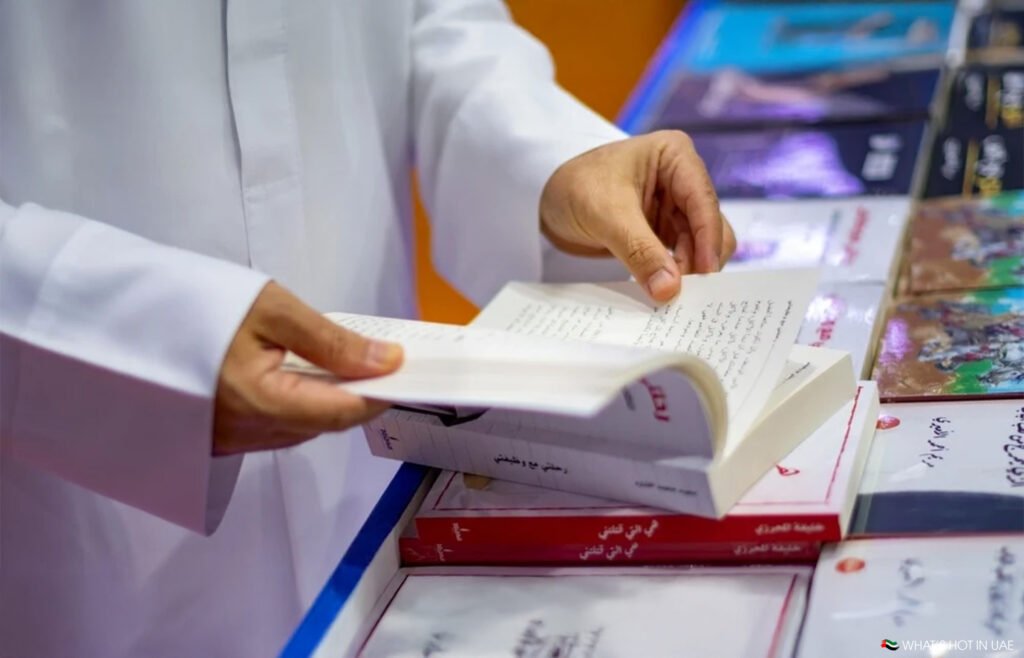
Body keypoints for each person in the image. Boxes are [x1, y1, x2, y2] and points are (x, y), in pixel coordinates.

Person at [0, 2, 735, 656]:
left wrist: (552, 159)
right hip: (79, 513)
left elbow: (433, 25)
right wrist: (124, 335)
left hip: (373, 461)